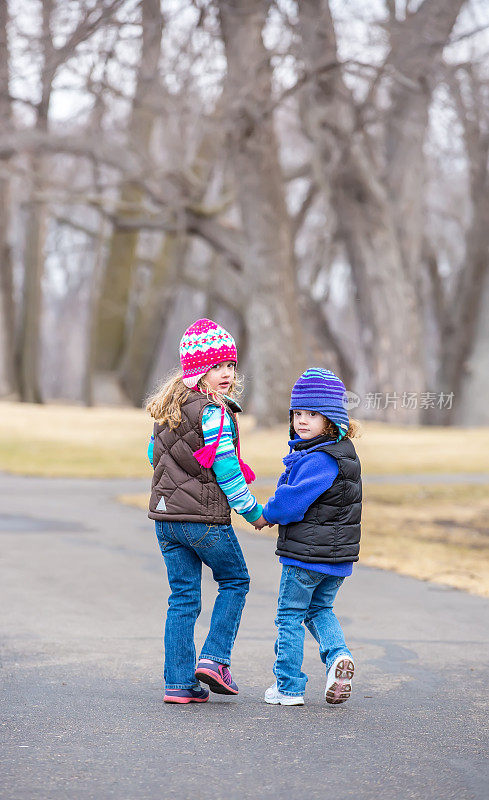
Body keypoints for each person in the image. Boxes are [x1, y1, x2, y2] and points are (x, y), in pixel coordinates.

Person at [146, 318, 266, 704]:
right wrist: (253, 513)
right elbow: (228, 470)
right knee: (235, 581)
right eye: (217, 367)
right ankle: (214, 660)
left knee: (182, 598)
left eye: (231, 365)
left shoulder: (169, 409)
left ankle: (179, 683)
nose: (227, 374)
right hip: (204, 521)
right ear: (198, 369)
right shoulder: (214, 413)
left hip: (166, 519)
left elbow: (154, 456)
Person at [255, 368, 361, 706]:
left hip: (306, 556)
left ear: (331, 419)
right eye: (298, 413)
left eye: (312, 414)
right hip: (336, 558)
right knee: (319, 610)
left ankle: (288, 687)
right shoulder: (341, 454)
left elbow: (292, 501)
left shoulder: (320, 459)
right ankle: (338, 657)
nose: (302, 420)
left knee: (289, 616)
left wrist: (266, 515)